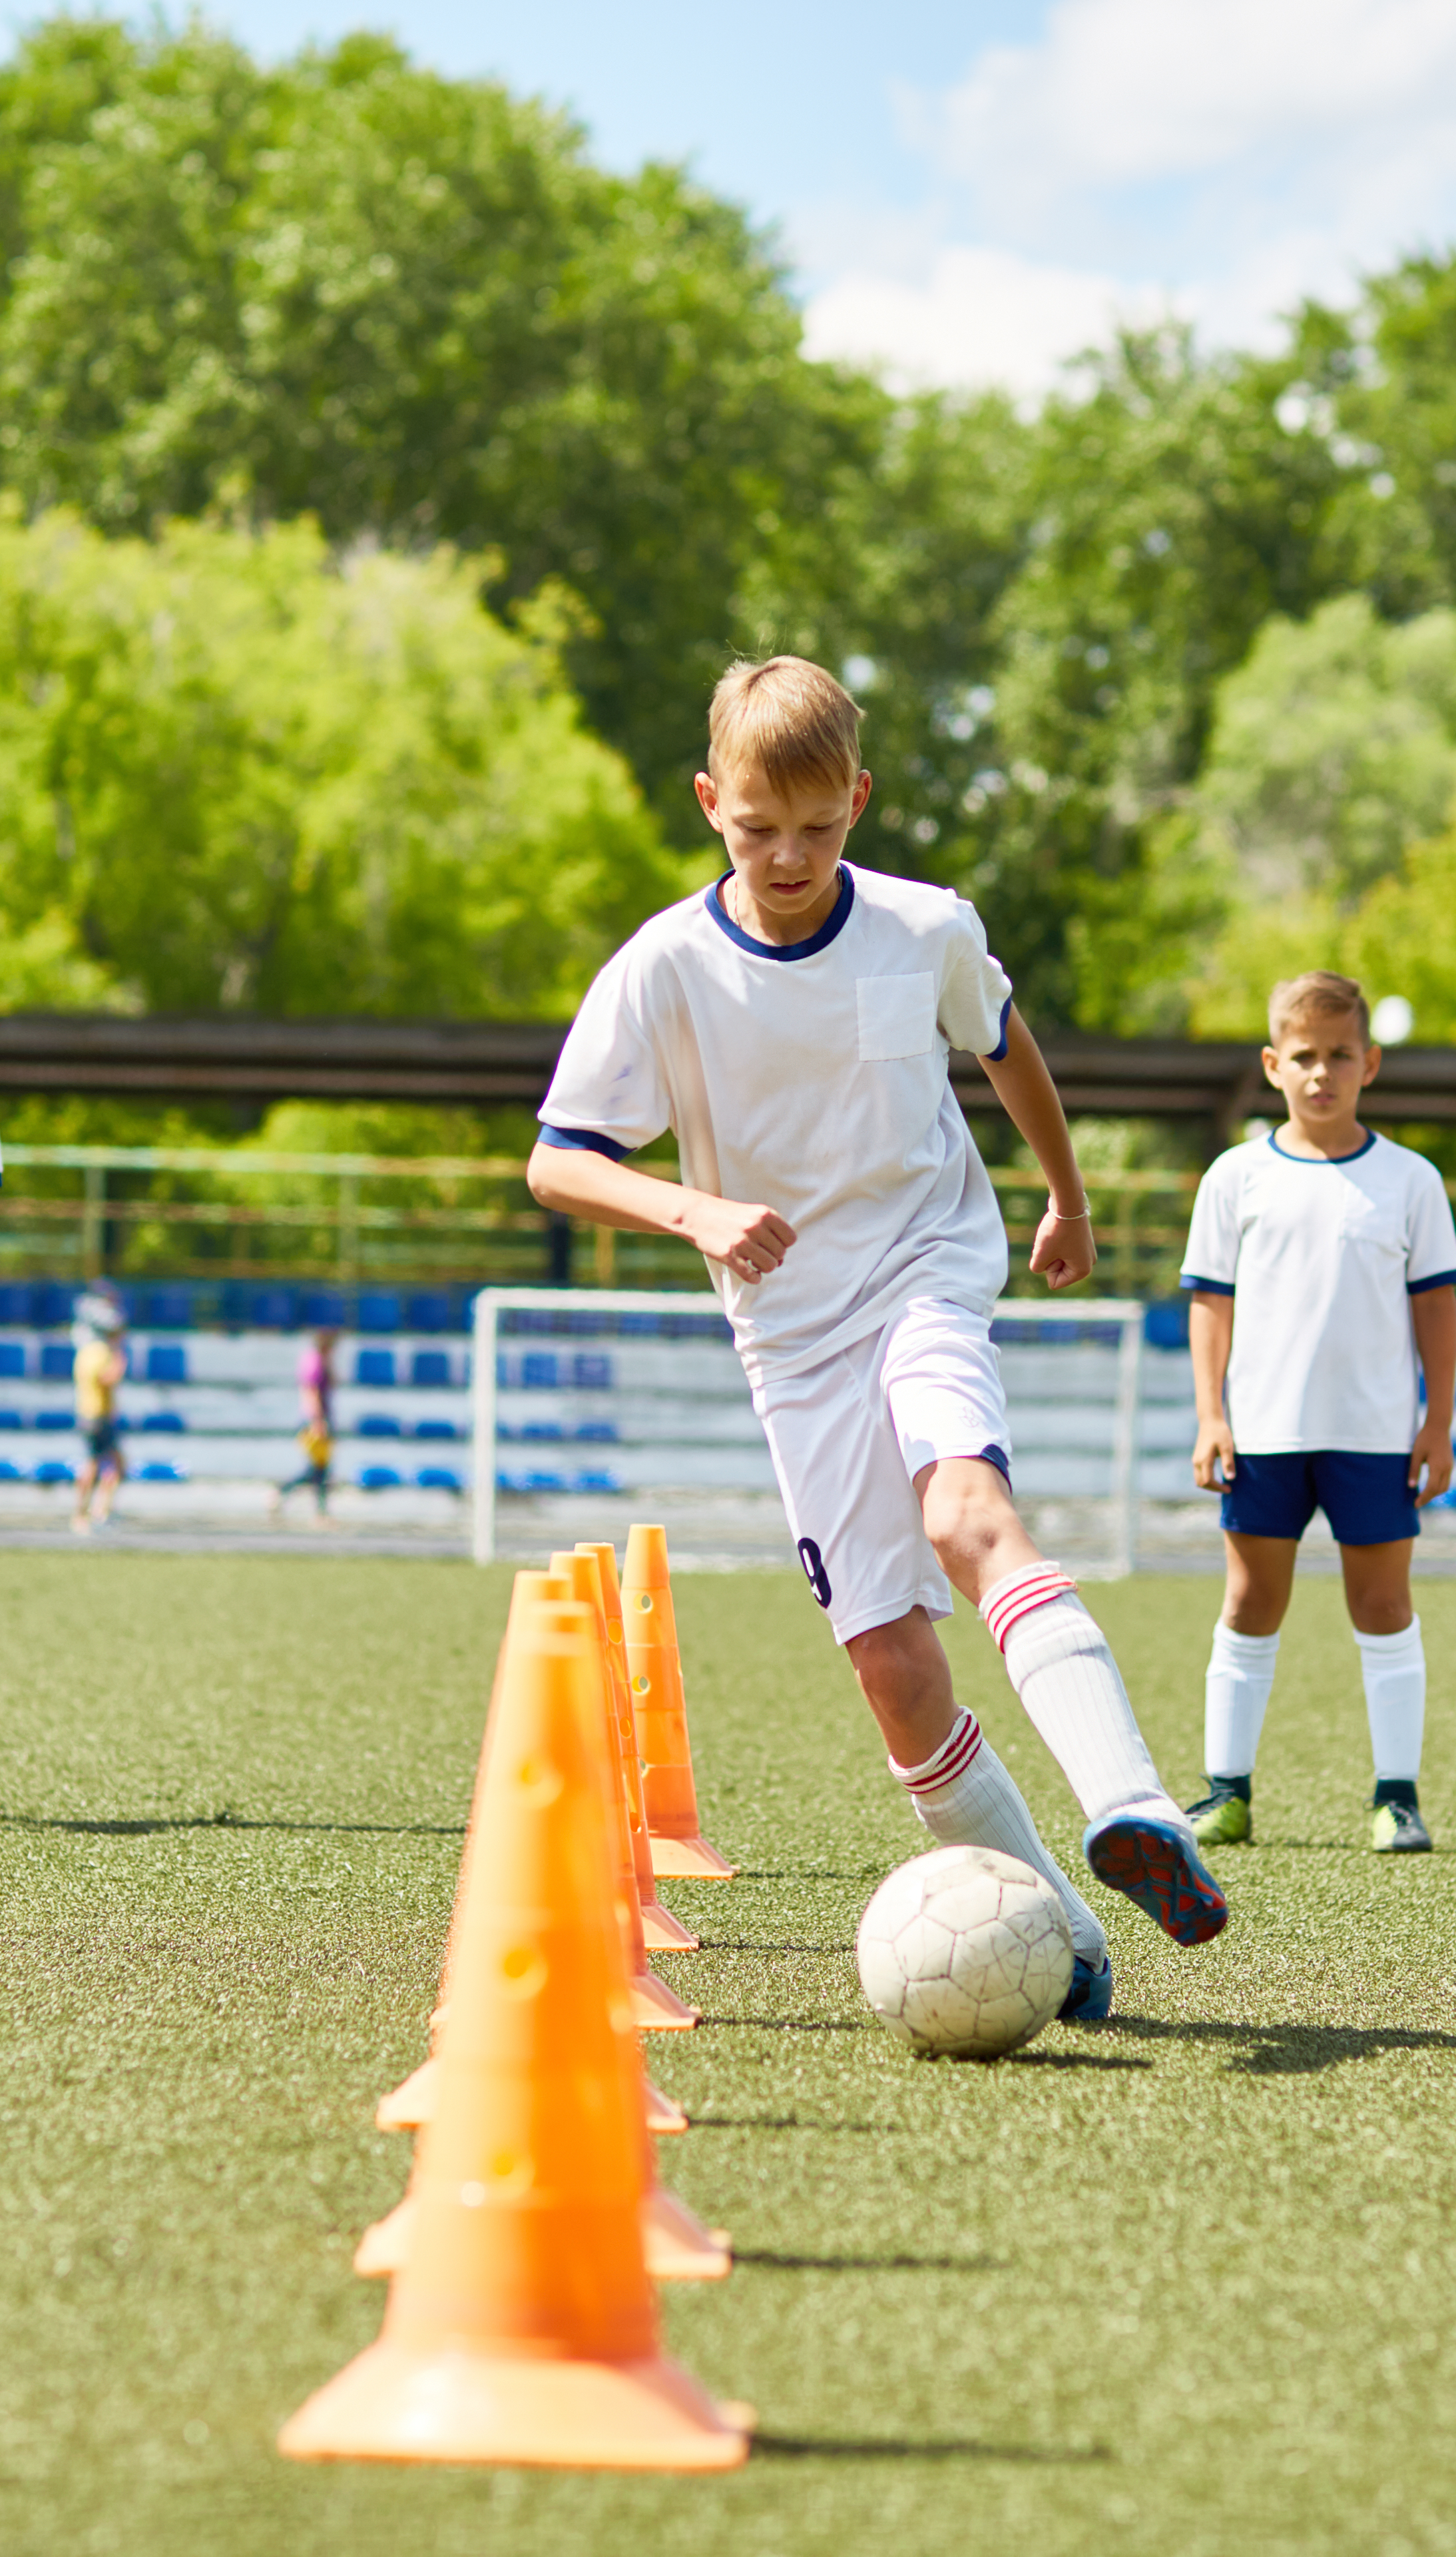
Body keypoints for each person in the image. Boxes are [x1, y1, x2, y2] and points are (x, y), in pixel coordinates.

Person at [525, 655, 1226, 2018]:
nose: (788, 857)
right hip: (789, 1337)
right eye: (755, 829)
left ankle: (1137, 1805)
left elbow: (1006, 1043)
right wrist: (693, 1209)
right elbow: (558, 1161)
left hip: (926, 1275)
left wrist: (1065, 1196)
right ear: (708, 801)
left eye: (819, 829)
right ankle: (1069, 1938)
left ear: (859, 800)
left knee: (970, 1512)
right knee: (895, 1671)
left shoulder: (926, 928)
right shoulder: (663, 966)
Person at [1177, 972, 1456, 1854]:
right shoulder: (1237, 1176)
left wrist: (1437, 1422)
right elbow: (1211, 1303)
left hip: (1376, 1436)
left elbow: (1436, 1308)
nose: (1321, 1073)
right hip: (1263, 1431)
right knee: (1250, 1602)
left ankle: (1397, 1798)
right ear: (1272, 1064)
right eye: (1303, 1056)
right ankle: (1226, 1793)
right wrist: (1211, 1416)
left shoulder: (1411, 1180)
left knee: (1383, 1607)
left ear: (1370, 1064)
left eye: (1341, 1055)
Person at [71, 1296, 128, 1532]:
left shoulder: (85, 1351)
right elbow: (108, 1379)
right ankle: (91, 1514)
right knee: (101, 1466)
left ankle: (95, 1512)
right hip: (98, 1416)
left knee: (109, 1464)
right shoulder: (101, 1352)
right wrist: (120, 1357)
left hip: (91, 1415)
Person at [273, 1324, 340, 1521]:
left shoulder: (322, 1360)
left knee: (319, 1469)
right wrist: (318, 1421)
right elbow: (311, 1392)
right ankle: (318, 1510)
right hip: (316, 1420)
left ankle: (288, 1494)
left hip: (320, 1418)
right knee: (318, 1469)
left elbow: (335, 1383)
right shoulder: (315, 1361)